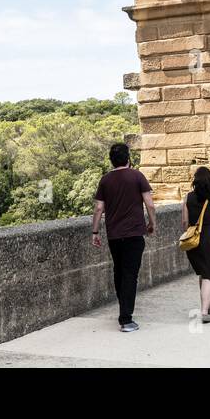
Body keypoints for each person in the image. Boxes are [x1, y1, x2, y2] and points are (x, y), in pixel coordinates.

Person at [92, 142, 157, 332]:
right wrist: (152, 224)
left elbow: (98, 209)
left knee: (119, 271)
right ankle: (126, 318)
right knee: (130, 274)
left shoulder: (105, 180)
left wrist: (95, 232)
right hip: (135, 233)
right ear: (128, 158)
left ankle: (124, 308)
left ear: (111, 160)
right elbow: (150, 205)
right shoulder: (137, 176)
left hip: (114, 234)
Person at [182, 166, 210, 323]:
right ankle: (203, 312)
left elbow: (185, 222)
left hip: (194, 240)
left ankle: (207, 306)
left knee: (203, 271)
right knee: (209, 274)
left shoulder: (187, 198)